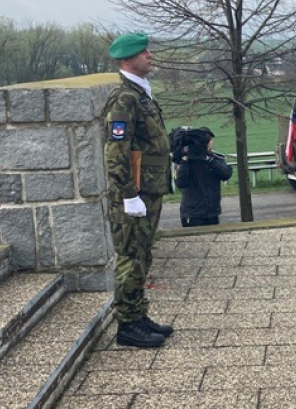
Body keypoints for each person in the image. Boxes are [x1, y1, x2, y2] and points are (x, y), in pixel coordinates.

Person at [103, 33, 174, 348]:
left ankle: (138, 314)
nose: (149, 54)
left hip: (149, 189)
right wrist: (128, 194)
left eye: (147, 49)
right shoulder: (124, 98)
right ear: (126, 59)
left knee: (143, 253)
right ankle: (128, 326)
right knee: (131, 255)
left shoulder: (141, 93)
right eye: (141, 52)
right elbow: (116, 152)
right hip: (135, 192)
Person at [172, 127, 233, 227]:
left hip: (212, 212)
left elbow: (226, 174)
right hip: (192, 214)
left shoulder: (213, 159)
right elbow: (180, 182)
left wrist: (209, 160)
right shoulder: (186, 162)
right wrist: (185, 161)